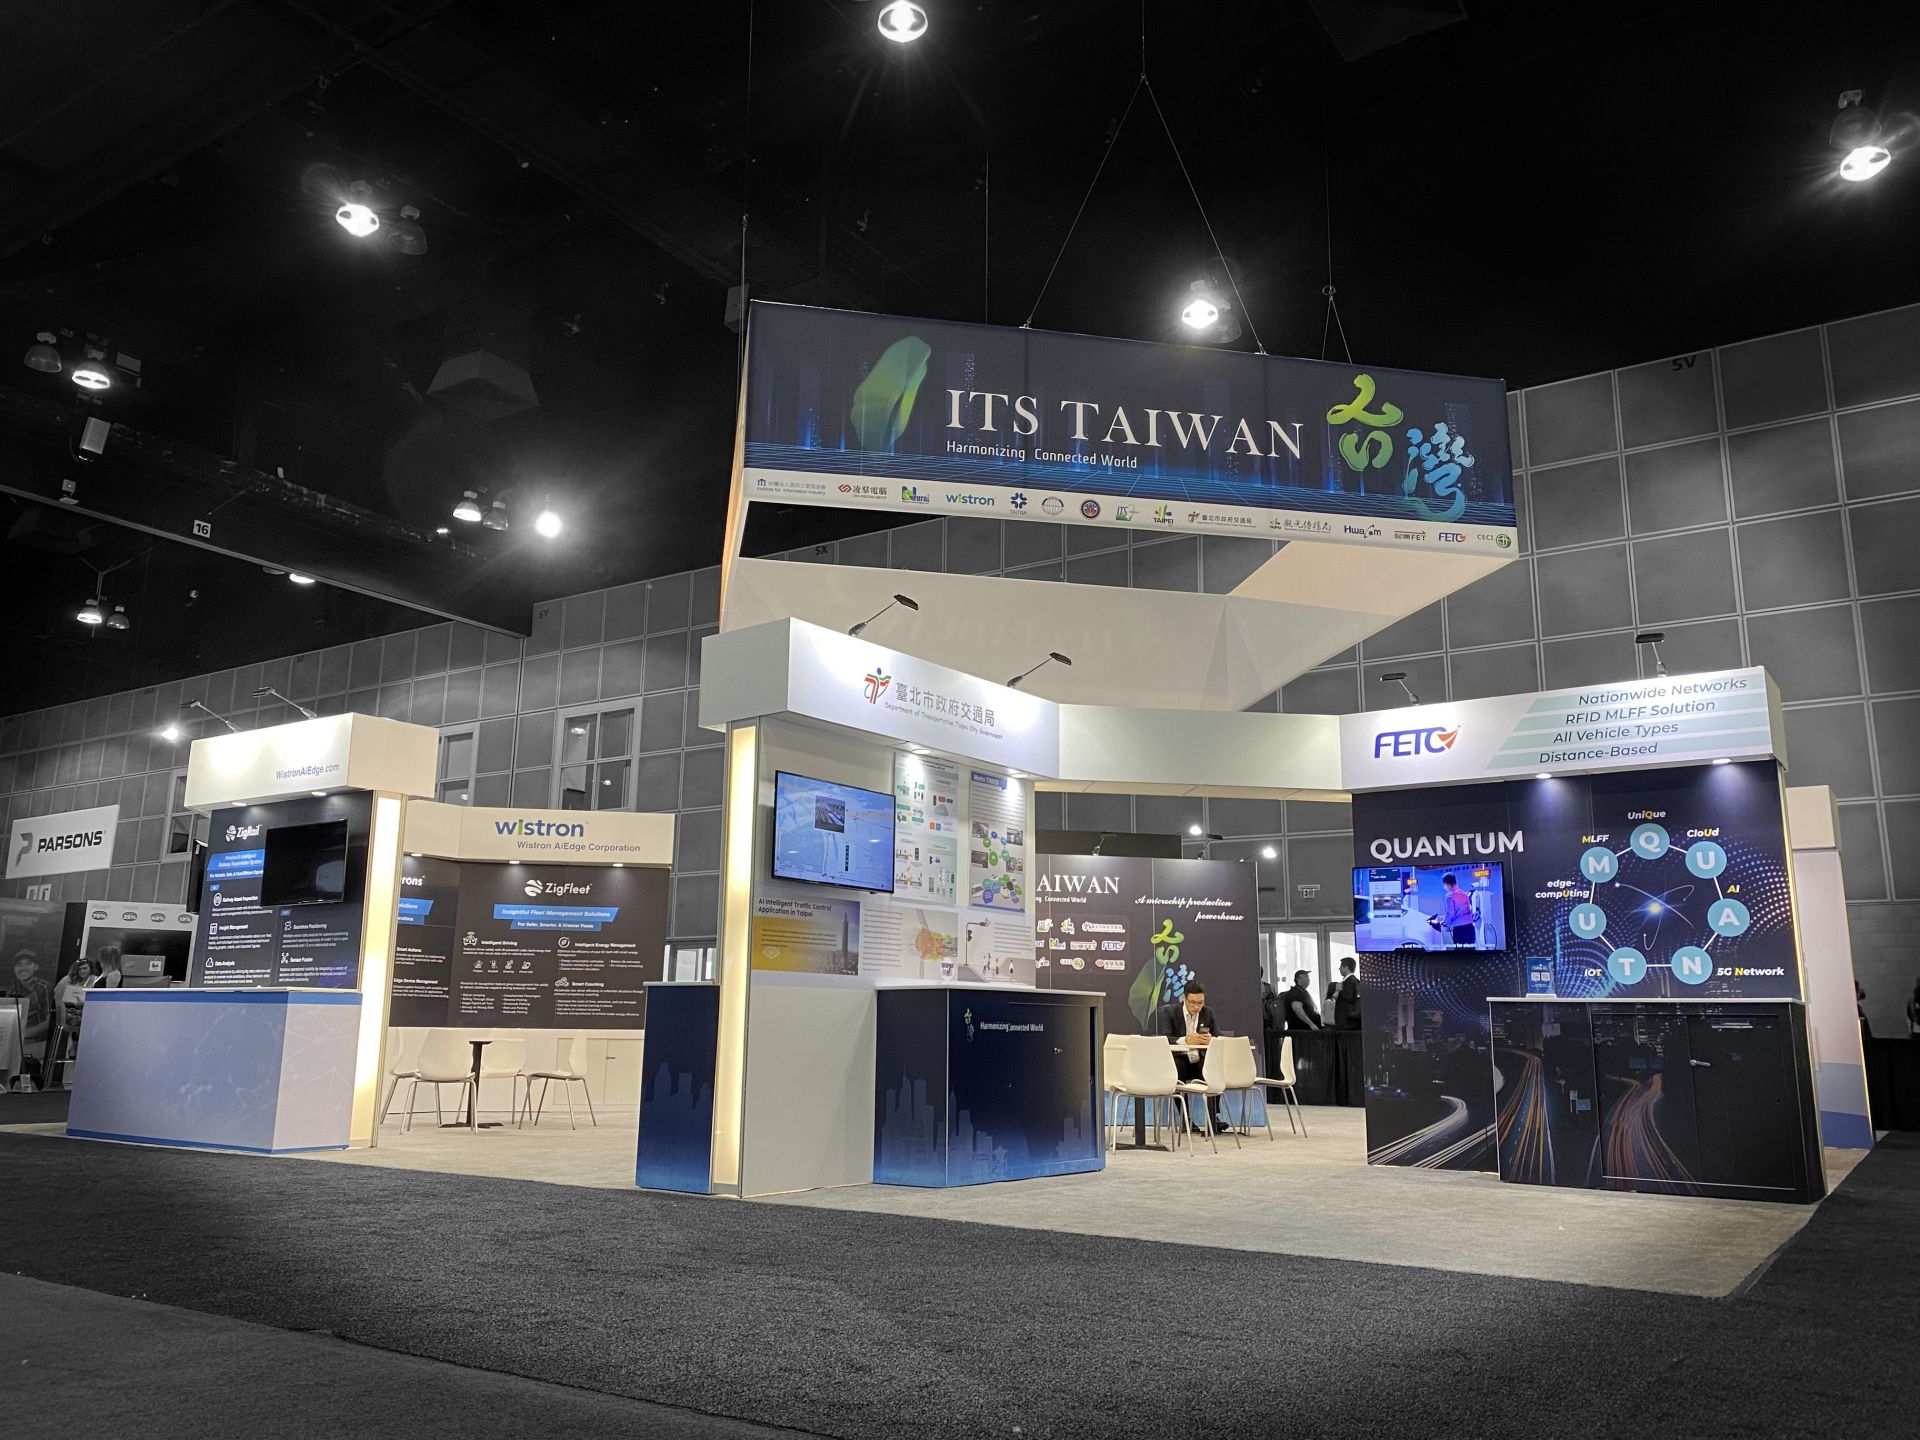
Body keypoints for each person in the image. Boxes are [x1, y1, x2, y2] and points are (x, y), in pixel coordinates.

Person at [1156, 980, 1225, 1135]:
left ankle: (1213, 1117)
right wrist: (1186, 1040)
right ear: (1184, 998)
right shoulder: (1170, 1012)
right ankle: (1185, 1118)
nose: (1196, 1007)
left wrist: (1211, 1039)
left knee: (1213, 1069)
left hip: (1199, 1060)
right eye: (1193, 1002)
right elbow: (1164, 1038)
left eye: (1200, 1003)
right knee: (1177, 1068)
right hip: (1180, 1060)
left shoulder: (1208, 1013)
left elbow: (1219, 1037)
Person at [5, 949, 54, 1079]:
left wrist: (23, 1034)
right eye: (19, 964)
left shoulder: (44, 987)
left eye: (28, 963)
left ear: (36, 967)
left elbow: (49, 1022)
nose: (23, 968)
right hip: (15, 1037)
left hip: (35, 1040)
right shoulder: (12, 989)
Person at [1438, 873, 1477, 947]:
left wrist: (1444, 922)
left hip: (1459, 930)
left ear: (1446, 884)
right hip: (1470, 928)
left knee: (1460, 952)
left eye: (1444, 885)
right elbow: (1468, 909)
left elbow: (1450, 913)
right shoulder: (1464, 894)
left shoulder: (1449, 895)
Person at [1332, 957, 1361, 1029]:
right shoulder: (1355, 981)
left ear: (1346, 967)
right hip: (1352, 1020)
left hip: (1346, 1021)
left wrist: (1337, 993)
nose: (1339, 968)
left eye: (1341, 966)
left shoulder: (1349, 982)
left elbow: (1348, 998)